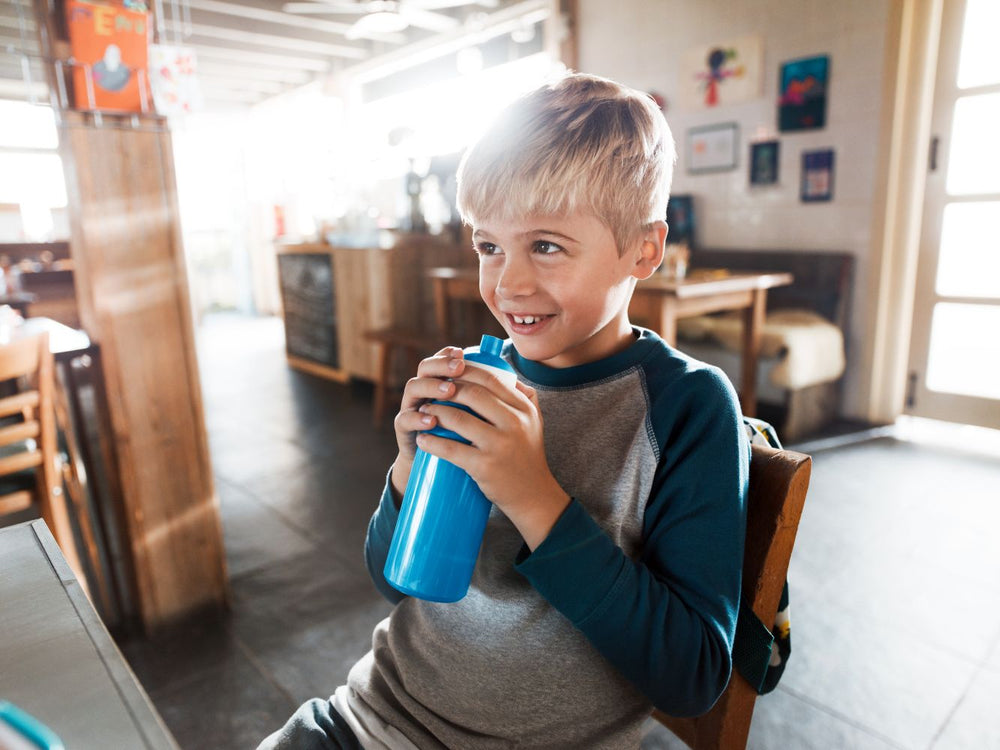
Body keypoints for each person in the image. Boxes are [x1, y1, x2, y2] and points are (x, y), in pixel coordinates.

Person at [259, 72, 749, 750]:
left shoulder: (687, 409)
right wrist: (405, 473)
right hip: (371, 716)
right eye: (490, 245)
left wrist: (535, 497)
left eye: (545, 245)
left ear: (644, 248)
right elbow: (392, 581)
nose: (508, 282)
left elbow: (693, 677)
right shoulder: (475, 374)